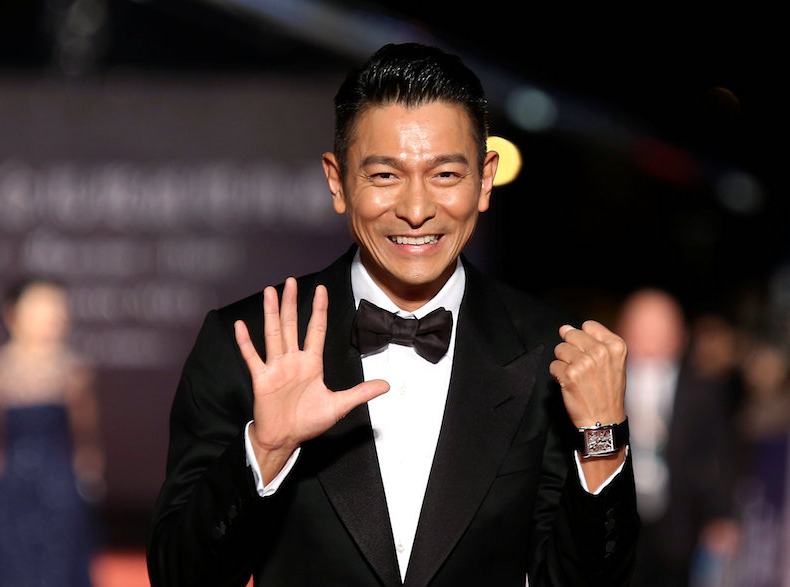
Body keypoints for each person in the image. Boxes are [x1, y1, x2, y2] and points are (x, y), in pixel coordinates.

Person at [147, 43, 638, 586]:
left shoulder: (551, 354)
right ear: (338, 182)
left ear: (485, 179)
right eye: (385, 176)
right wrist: (265, 450)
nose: (416, 209)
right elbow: (179, 577)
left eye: (446, 174)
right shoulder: (250, 343)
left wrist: (602, 440)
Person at [616, 289, 738, 587]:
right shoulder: (608, 381)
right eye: (642, 328)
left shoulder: (702, 389)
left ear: (680, 336)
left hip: (679, 518)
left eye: (661, 329)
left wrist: (721, 514)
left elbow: (719, 451)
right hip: (616, 515)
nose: (651, 339)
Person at [0, 278, 103, 587]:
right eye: (39, 306)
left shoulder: (73, 369)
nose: (50, 315)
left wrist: (88, 473)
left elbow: (86, 435)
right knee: (13, 558)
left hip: (59, 477)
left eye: (56, 307)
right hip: (9, 482)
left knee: (61, 558)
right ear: (13, 314)